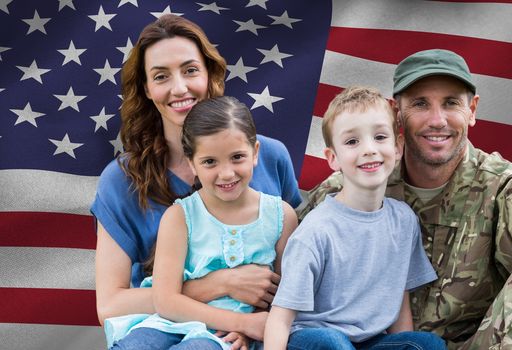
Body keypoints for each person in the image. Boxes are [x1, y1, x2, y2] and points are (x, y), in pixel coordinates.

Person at [298, 50, 512, 349]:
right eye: (420, 104)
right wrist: (247, 282)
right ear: (396, 112)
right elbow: (280, 247)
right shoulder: (354, 186)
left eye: (451, 103)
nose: (437, 120)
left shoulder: (505, 187)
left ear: (472, 110)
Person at [91, 14, 301, 344]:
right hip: (157, 333)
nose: (179, 88)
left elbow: (295, 269)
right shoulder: (121, 180)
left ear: (210, 74)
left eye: (190, 70)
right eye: (161, 76)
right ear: (147, 89)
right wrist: (221, 284)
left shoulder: (270, 157)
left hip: (249, 334)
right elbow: (110, 305)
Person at [105, 96, 298, 349]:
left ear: (255, 153)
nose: (226, 173)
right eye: (209, 162)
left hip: (228, 338)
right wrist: (240, 322)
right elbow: (166, 302)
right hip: (169, 323)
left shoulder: (281, 217)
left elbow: (287, 297)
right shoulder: (179, 217)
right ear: (191, 163)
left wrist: (250, 330)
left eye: (237, 157)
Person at [264, 86, 445, 350]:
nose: (369, 149)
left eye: (380, 137)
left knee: (426, 345)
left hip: (370, 342)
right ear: (333, 158)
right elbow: (280, 319)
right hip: (313, 339)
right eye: (352, 141)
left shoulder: (404, 220)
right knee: (333, 344)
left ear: (398, 147)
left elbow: (399, 299)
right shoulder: (317, 231)